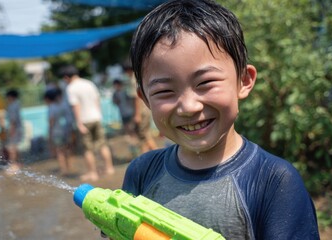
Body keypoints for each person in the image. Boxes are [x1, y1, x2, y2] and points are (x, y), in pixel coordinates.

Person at [121, 1, 320, 239]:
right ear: (144, 99)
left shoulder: (274, 182)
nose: (188, 107)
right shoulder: (141, 172)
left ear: (244, 80)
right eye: (164, 92)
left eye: (205, 83)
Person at [60, 65, 115, 182]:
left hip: (85, 120)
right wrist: (99, 115)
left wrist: (79, 123)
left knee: (87, 149)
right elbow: (97, 99)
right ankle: (109, 168)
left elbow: (76, 106)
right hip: (96, 117)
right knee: (102, 144)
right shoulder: (88, 83)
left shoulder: (71, 88)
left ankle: (92, 173)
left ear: (66, 77)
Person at [122, 61, 158, 154]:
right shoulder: (139, 77)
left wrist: (137, 115)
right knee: (145, 135)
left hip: (141, 111)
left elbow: (136, 98)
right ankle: (146, 155)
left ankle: (158, 156)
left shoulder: (133, 80)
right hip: (145, 110)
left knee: (144, 136)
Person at [44, 88, 73, 176]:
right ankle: (69, 166)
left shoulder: (51, 108)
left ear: (48, 99)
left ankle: (64, 170)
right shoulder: (61, 105)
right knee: (66, 150)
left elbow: (51, 122)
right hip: (65, 130)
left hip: (57, 133)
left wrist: (49, 135)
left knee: (59, 152)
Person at [4, 89, 23, 175]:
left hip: (14, 129)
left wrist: (11, 131)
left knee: (12, 149)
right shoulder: (17, 104)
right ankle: (17, 164)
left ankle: (13, 165)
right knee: (15, 147)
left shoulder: (12, 105)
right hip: (18, 128)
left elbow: (13, 120)